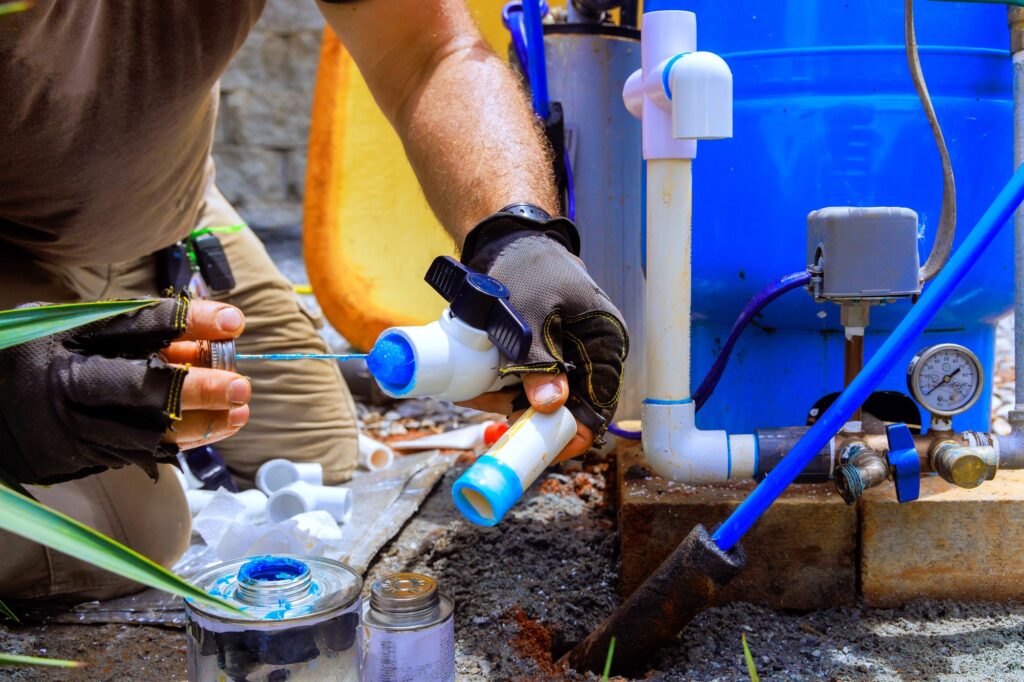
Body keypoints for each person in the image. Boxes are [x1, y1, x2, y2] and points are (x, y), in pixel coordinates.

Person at [0, 0, 627, 600]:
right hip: (14, 251)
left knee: (316, 454)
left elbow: (430, 52)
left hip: (165, 220)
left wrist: (518, 237)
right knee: (141, 533)